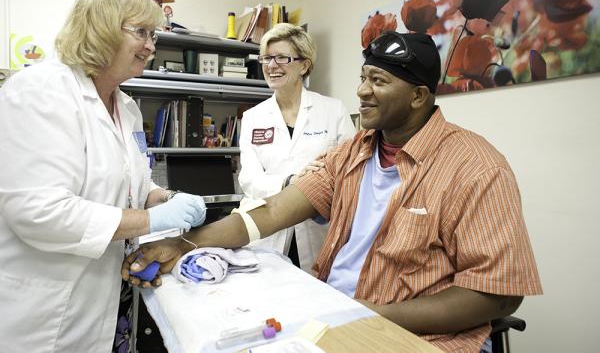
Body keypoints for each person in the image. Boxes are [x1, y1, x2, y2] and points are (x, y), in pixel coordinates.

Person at [123, 31, 542, 352]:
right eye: (363, 78)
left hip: (415, 335)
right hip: (328, 314)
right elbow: (269, 213)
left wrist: (363, 316)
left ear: (418, 96)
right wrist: (183, 243)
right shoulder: (351, 154)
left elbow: (498, 295)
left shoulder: (476, 168)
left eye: (377, 80)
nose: (361, 91)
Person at [0, 0, 207, 352]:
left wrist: (167, 198)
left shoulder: (125, 106)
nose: (151, 46)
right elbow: (39, 211)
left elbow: (133, 187)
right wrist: (151, 220)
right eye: (141, 32)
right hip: (44, 312)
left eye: (154, 35)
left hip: (107, 297)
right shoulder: (40, 91)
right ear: (101, 28)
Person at [238, 23, 355, 271]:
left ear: (304, 64)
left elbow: (351, 171)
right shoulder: (252, 117)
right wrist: (290, 182)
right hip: (267, 228)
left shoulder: (333, 111)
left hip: (316, 227)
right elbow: (248, 178)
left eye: (282, 57)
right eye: (267, 58)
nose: (271, 66)